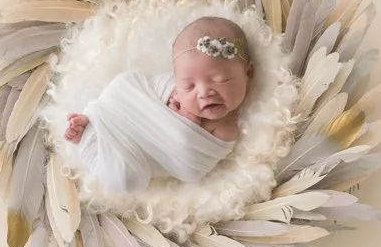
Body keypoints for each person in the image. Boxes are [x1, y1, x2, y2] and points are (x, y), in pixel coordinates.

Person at [62, 17, 253, 194]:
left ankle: (91, 140)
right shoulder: (174, 88)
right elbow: (148, 89)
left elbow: (191, 170)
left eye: (221, 80)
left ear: (248, 72)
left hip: (140, 156)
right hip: (129, 111)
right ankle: (94, 124)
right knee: (125, 81)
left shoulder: (227, 129)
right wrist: (171, 97)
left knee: (125, 181)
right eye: (189, 85)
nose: (204, 93)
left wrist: (185, 122)